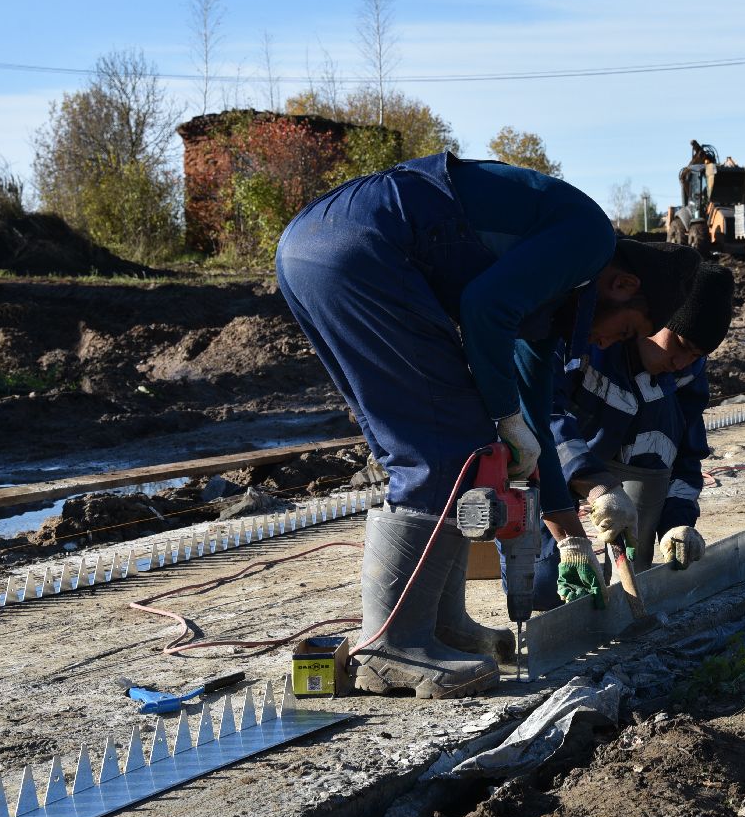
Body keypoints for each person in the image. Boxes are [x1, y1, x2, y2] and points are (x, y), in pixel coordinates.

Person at [274, 152, 702, 698]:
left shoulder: (553, 302)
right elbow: (483, 308)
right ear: (622, 285)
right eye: (625, 333)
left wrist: (568, 525)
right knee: (444, 448)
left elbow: (531, 426)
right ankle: (392, 647)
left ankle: (436, 624)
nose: (607, 345)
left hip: (320, 246)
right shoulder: (588, 238)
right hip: (363, 251)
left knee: (462, 443)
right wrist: (502, 417)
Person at [537, 263, 735, 607]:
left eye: (697, 356)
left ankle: (628, 589)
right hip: (550, 470)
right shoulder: (591, 336)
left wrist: (678, 522)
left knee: (628, 583)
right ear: (655, 319)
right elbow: (542, 421)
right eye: (680, 344)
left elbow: (686, 454)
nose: (682, 362)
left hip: (618, 463)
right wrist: (595, 488)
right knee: (546, 587)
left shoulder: (684, 373)